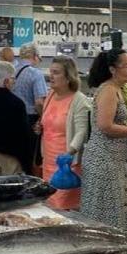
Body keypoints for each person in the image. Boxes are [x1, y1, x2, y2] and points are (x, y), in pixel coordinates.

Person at [80, 49, 127, 230]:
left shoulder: (118, 89)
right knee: (104, 213)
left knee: (115, 210)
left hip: (113, 160)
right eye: (126, 66)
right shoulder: (109, 90)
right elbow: (105, 126)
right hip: (103, 161)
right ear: (112, 69)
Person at [38, 57, 91, 210]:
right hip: (48, 162)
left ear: (68, 77)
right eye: (50, 72)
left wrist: (70, 152)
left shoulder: (79, 100)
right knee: (48, 205)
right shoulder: (50, 96)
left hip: (66, 166)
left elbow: (82, 131)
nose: (51, 76)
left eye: (56, 73)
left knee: (63, 207)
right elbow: (47, 122)